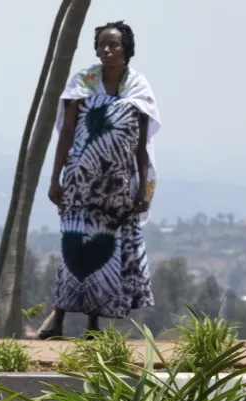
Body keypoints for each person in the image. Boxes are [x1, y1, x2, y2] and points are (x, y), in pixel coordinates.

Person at [39, 21, 160, 339]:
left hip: (117, 186)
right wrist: (55, 179)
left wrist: (143, 190)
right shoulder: (83, 82)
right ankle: (58, 320)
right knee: (72, 248)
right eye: (102, 44)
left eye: (114, 44)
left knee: (107, 252)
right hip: (79, 182)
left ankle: (94, 325)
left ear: (127, 49)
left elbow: (141, 144)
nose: (107, 50)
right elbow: (67, 132)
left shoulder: (139, 88)